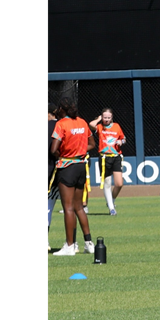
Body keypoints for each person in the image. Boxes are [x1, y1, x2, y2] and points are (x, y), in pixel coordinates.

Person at [49, 97, 97, 256]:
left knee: (68, 207)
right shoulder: (83, 122)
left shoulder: (61, 124)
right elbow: (92, 144)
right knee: (79, 207)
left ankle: (70, 246)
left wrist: (63, 154)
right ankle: (89, 243)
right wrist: (80, 151)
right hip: (81, 166)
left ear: (62, 109)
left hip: (67, 167)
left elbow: (53, 149)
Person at [90, 107, 127, 216]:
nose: (106, 119)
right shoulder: (100, 127)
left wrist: (121, 141)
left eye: (108, 117)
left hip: (116, 156)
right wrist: (98, 119)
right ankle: (111, 208)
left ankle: (111, 201)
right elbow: (91, 125)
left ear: (112, 118)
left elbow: (124, 138)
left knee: (119, 183)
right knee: (107, 183)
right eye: (105, 117)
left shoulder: (116, 126)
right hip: (104, 158)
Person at [47, 102, 62, 252]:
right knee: (70, 208)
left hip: (49, 173)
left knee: (47, 208)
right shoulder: (62, 125)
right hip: (63, 170)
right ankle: (72, 244)